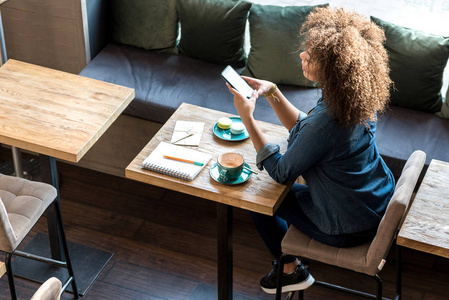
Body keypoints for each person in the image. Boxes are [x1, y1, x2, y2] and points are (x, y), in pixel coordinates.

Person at [225, 6, 395, 295]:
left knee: (254, 197)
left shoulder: (327, 123)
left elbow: (280, 171)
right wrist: (272, 93)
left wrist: (247, 118)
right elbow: (309, 132)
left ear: (334, 68)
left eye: (312, 56)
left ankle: (290, 270)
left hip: (346, 226)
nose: (303, 55)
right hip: (373, 203)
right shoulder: (353, 100)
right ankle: (289, 265)